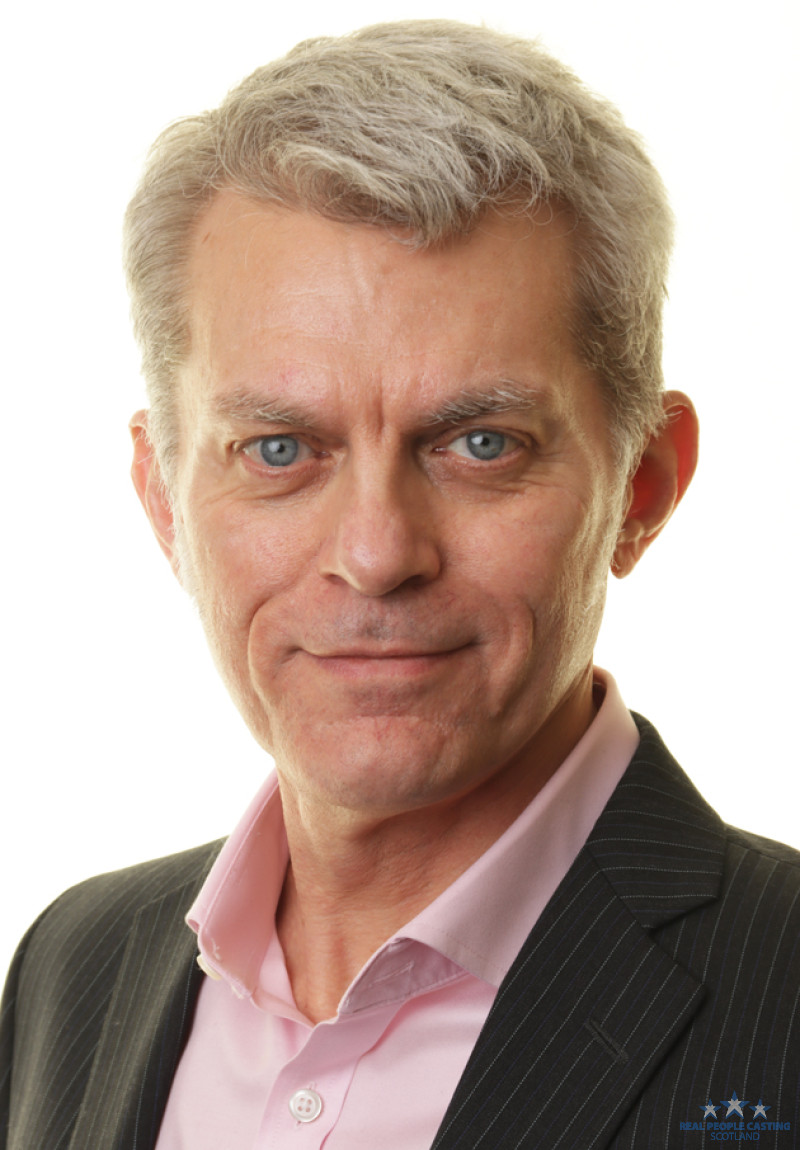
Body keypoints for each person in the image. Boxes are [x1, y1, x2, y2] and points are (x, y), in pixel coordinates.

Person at [1, 18, 798, 1150]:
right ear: (164, 498)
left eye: (480, 444)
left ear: (644, 485)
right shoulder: (71, 965)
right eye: (279, 450)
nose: (377, 555)